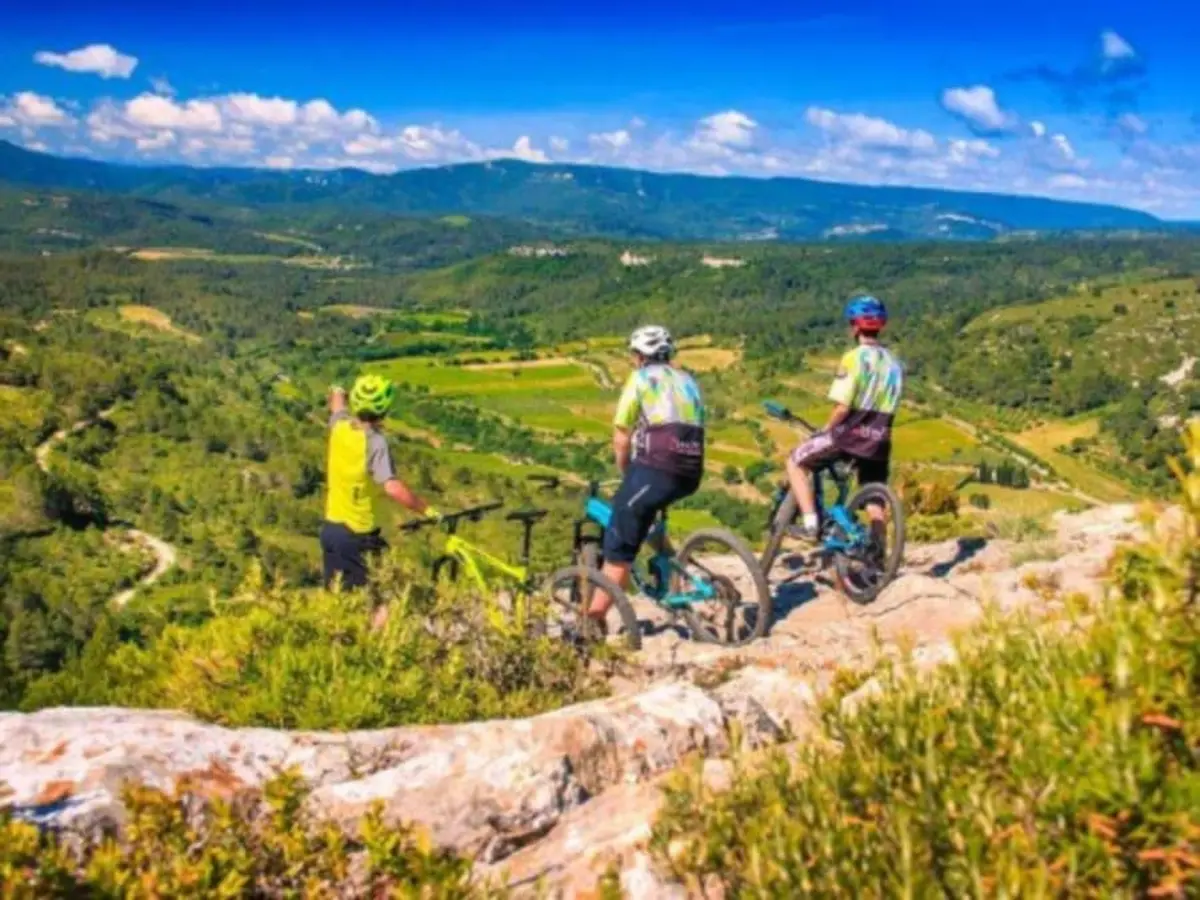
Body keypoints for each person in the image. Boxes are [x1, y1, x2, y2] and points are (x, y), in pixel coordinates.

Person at [587, 325, 705, 630]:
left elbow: (621, 435)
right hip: (692, 468)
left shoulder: (641, 379)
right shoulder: (688, 380)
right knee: (646, 506)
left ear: (639, 356)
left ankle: (592, 619)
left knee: (621, 536)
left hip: (658, 465)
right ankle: (668, 558)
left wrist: (625, 470)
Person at [786, 295, 904, 539]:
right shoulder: (894, 363)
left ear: (855, 326)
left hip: (850, 436)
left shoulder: (854, 359)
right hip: (880, 440)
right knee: (873, 498)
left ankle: (810, 524)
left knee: (795, 463)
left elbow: (842, 408)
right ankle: (879, 555)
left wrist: (826, 429)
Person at [321, 374, 438, 591]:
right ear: (384, 411)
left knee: (338, 597)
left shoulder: (340, 426)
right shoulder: (375, 442)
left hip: (331, 529)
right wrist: (428, 510)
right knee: (385, 592)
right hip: (359, 534)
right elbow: (392, 487)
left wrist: (338, 389)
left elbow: (337, 405)